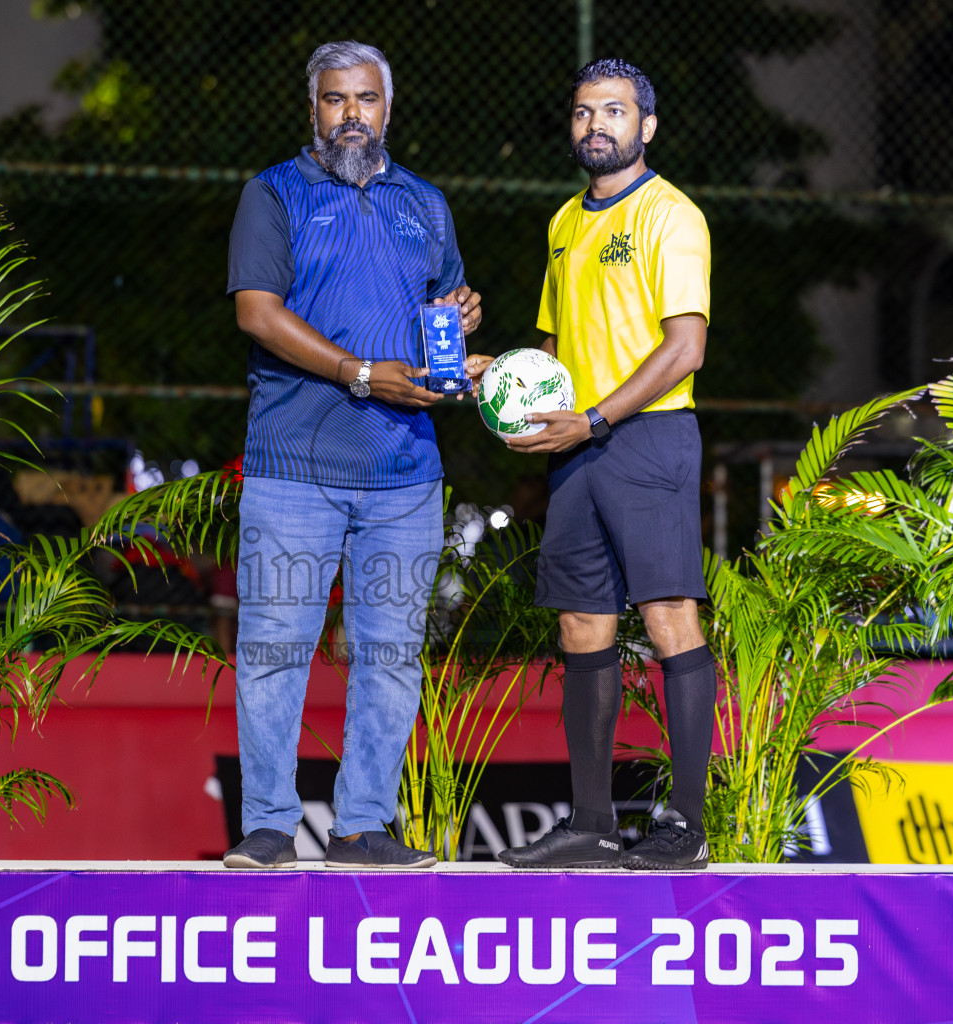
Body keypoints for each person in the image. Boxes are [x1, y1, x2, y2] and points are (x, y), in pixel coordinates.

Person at [221, 40, 483, 869]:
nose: (351, 115)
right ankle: (268, 823)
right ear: (313, 109)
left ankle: (363, 825)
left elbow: (438, 309)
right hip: (293, 467)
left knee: (391, 658)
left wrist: (459, 334)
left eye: (365, 99)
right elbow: (257, 315)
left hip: (406, 474)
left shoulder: (426, 205)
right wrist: (361, 373)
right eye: (335, 100)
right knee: (273, 652)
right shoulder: (274, 195)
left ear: (388, 109)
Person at [471, 58, 717, 871]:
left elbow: (685, 349)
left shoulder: (671, 216)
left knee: (668, 619)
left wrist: (596, 417)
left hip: (646, 437)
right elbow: (555, 350)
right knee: (582, 625)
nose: (595, 126)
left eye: (614, 112)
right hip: (577, 443)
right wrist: (503, 381)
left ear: (646, 126)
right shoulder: (565, 223)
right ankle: (591, 824)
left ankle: (685, 823)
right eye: (583, 113)